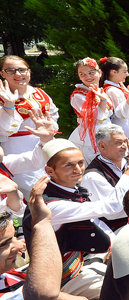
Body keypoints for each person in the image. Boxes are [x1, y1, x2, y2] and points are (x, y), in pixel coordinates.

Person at [21, 138, 129, 299]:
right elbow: (112, 207)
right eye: (68, 165)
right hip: (64, 278)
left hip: (85, 262)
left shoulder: (70, 189)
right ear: (49, 171)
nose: (78, 169)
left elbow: (95, 221)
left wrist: (114, 244)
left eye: (81, 163)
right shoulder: (50, 205)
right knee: (128, 293)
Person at [0, 55, 59, 200]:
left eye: (22, 70)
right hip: (18, 148)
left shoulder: (38, 92)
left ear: (29, 71)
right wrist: (9, 106)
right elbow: (6, 130)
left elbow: (53, 114)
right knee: (29, 189)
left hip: (45, 143)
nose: (18, 74)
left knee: (52, 183)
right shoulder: (2, 98)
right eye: (11, 71)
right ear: (2, 73)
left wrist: (50, 130)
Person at [0, 176, 63, 299]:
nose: (20, 245)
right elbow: (45, 294)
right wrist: (42, 223)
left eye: (14, 237)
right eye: (4, 244)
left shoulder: (11, 274)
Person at [69, 57, 114, 164]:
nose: (87, 77)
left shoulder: (100, 90)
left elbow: (109, 113)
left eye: (91, 72)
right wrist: (103, 100)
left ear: (100, 73)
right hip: (90, 137)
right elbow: (96, 116)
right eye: (82, 74)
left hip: (108, 131)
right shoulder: (78, 95)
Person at [101, 56, 129, 138]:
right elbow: (122, 114)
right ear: (114, 72)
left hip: (124, 126)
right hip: (123, 128)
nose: (127, 74)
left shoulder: (113, 88)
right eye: (124, 71)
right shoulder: (113, 90)